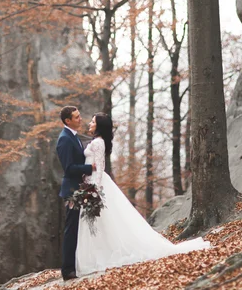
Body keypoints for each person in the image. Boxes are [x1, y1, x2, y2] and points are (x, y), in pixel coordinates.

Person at [75, 113, 211, 277]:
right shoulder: (97, 141)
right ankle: (100, 253)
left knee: (103, 220)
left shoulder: (98, 142)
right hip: (90, 182)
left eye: (93, 121)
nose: (90, 123)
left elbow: (100, 167)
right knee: (101, 222)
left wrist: (95, 190)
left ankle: (102, 255)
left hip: (96, 184)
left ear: (99, 126)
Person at [56, 106, 97, 281]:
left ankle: (79, 264)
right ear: (68, 121)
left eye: (79, 115)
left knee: (81, 228)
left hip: (80, 188)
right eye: (77, 117)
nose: (81, 119)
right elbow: (69, 168)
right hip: (72, 191)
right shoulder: (64, 139)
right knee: (71, 229)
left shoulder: (74, 136)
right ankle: (67, 270)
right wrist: (90, 168)